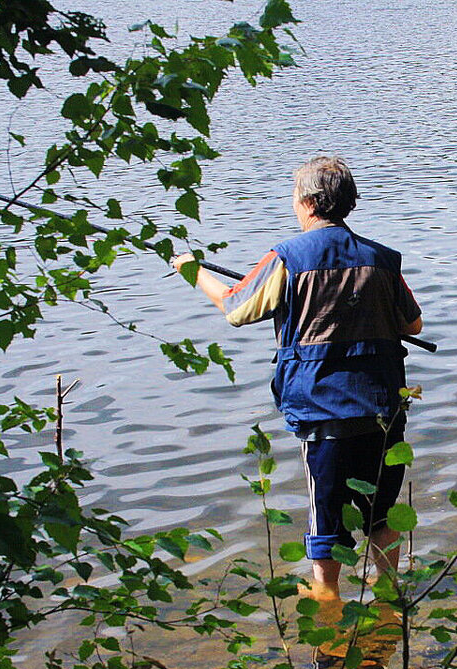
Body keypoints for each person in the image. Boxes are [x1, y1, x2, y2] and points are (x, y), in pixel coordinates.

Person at [172, 156, 423, 601]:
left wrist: (191, 269)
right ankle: (386, 594)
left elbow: (236, 308)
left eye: (294, 196)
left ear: (307, 203)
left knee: (326, 517)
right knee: (380, 514)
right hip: (384, 405)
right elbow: (413, 325)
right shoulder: (383, 259)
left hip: (324, 411)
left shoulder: (287, 257)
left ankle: (327, 600)